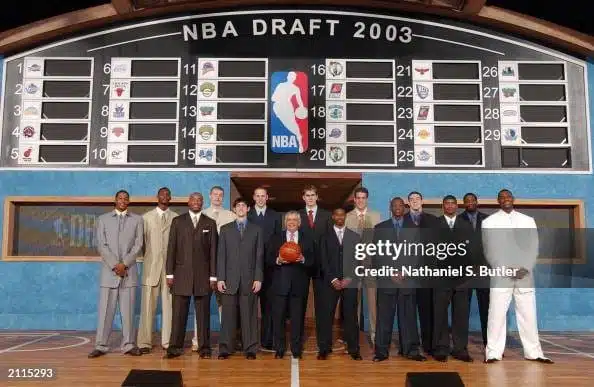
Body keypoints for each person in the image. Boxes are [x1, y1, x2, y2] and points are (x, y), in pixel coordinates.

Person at [482, 189, 553, 364]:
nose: (505, 199)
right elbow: (489, 251)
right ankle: (493, 353)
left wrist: (525, 268)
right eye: (502, 197)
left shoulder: (528, 221)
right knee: (496, 314)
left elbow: (533, 247)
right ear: (497, 201)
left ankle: (534, 353)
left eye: (508, 196)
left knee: (528, 314)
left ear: (513, 199)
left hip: (524, 275)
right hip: (501, 275)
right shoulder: (489, 222)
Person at [88, 190, 143, 358]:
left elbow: (138, 244)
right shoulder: (103, 219)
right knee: (105, 312)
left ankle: (128, 345)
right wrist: (115, 265)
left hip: (128, 273)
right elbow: (101, 245)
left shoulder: (137, 220)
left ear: (129, 202)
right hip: (109, 273)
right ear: (115, 200)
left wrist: (124, 264)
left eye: (126, 199)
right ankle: (101, 345)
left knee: (128, 313)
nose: (123, 200)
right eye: (120, 198)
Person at [165, 192, 218, 359]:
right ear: (189, 202)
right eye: (194, 200)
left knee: (203, 315)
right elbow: (171, 249)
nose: (197, 202)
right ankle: (174, 347)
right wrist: (169, 274)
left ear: (203, 203)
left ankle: (204, 348)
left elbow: (213, 252)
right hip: (181, 276)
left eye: (200, 200)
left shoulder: (210, 223)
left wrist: (213, 276)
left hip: (203, 277)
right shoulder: (178, 222)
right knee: (178, 314)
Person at [373, 197, 425, 362]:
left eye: (400, 205)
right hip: (386, 280)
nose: (397, 208)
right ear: (390, 207)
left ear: (405, 207)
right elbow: (377, 255)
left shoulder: (414, 228)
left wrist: (405, 271)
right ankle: (381, 352)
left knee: (408, 317)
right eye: (394, 205)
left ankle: (410, 350)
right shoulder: (380, 228)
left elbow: (417, 254)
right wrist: (390, 272)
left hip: (407, 280)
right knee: (384, 318)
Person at [217, 197, 264, 360]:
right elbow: (221, 255)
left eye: (244, 205)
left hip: (250, 279)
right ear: (234, 209)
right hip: (229, 279)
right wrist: (220, 278)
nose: (241, 208)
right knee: (228, 315)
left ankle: (250, 348)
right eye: (238, 206)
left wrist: (258, 278)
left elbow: (259, 256)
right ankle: (225, 348)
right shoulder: (225, 229)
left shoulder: (256, 230)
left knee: (249, 315)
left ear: (248, 209)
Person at [432, 195, 474, 362]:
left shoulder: (466, 225)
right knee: (440, 313)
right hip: (441, 278)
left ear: (457, 206)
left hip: (462, 278)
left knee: (461, 314)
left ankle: (460, 349)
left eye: (452, 203)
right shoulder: (435, 224)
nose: (449, 206)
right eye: (446, 204)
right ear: (443, 206)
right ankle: (441, 348)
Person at [195, 186, 237, 352]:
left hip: (224, 267)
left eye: (221, 195)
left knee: (224, 305)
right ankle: (198, 340)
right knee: (201, 305)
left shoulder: (231, 216)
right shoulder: (201, 215)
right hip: (204, 267)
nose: (218, 197)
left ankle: (225, 341)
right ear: (210, 196)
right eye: (215, 194)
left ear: (223, 197)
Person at [268, 211, 314, 359]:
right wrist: (278, 260)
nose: (292, 222)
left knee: (298, 319)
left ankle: (296, 349)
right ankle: (279, 349)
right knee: (278, 318)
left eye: (295, 220)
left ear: (299, 223)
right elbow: (267, 258)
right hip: (280, 284)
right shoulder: (276, 238)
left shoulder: (307, 239)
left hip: (299, 286)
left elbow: (314, 261)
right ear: (285, 222)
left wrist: (303, 259)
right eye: (289, 220)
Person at [137, 187, 178, 354]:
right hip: (151, 268)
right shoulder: (146, 218)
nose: (165, 197)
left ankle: (167, 342)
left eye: (168, 195)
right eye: (162, 194)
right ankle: (144, 343)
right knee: (147, 306)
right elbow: (141, 244)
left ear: (170, 198)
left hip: (170, 269)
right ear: (157, 197)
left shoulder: (176, 218)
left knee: (169, 307)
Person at [318, 208, 362, 360]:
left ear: (345, 217)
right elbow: (323, 261)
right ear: (333, 216)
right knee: (326, 316)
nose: (339, 217)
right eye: (336, 214)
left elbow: (358, 260)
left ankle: (354, 349)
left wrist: (349, 277)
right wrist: (333, 279)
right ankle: (324, 348)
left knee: (351, 317)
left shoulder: (355, 237)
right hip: (331, 283)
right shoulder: (324, 237)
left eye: (342, 215)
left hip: (350, 282)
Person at [247, 186, 282, 350]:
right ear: (253, 197)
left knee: (269, 305)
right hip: (249, 266)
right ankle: (248, 341)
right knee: (248, 305)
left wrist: (273, 259)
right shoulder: (247, 214)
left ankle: (268, 340)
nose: (260, 198)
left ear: (267, 197)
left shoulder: (275, 216)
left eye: (263, 196)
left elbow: (278, 240)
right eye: (257, 195)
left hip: (270, 267)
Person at [345, 187, 381, 346]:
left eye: (363, 198)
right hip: (353, 266)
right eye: (358, 198)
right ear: (354, 199)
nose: (360, 200)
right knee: (353, 302)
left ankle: (375, 334)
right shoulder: (347, 217)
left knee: (373, 302)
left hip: (371, 265)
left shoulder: (376, 216)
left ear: (367, 199)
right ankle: (352, 337)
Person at [298, 185, 332, 351]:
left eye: (313, 195)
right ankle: (297, 342)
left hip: (322, 266)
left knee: (322, 306)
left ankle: (324, 345)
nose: (310, 198)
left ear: (317, 196)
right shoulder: (297, 215)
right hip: (301, 265)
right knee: (299, 305)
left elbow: (331, 241)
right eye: (307, 195)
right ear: (303, 197)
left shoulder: (327, 216)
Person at [406, 191, 437, 356]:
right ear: (408, 203)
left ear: (422, 201)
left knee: (427, 311)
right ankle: (410, 345)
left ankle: (428, 345)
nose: (415, 201)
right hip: (407, 273)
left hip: (427, 274)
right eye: (411, 199)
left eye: (417, 198)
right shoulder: (402, 220)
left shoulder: (433, 220)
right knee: (408, 311)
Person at [460, 192, 490, 349]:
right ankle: (461, 346)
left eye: (472, 200)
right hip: (466, 273)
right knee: (462, 310)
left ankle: (490, 345)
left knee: (486, 310)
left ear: (477, 202)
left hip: (484, 271)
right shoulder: (458, 220)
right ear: (464, 203)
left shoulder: (488, 219)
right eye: (467, 201)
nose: (470, 202)